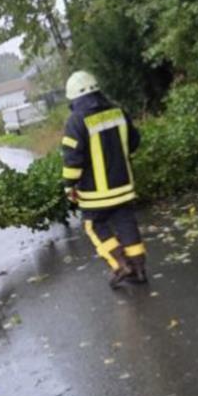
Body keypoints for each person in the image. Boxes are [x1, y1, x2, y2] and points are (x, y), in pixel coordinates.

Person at [61, 70, 148, 288]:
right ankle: (138, 269)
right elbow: (134, 141)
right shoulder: (118, 111)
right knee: (126, 221)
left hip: (95, 193)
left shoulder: (76, 121)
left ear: (73, 97)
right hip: (124, 185)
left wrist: (68, 187)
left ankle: (120, 265)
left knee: (94, 225)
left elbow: (73, 160)